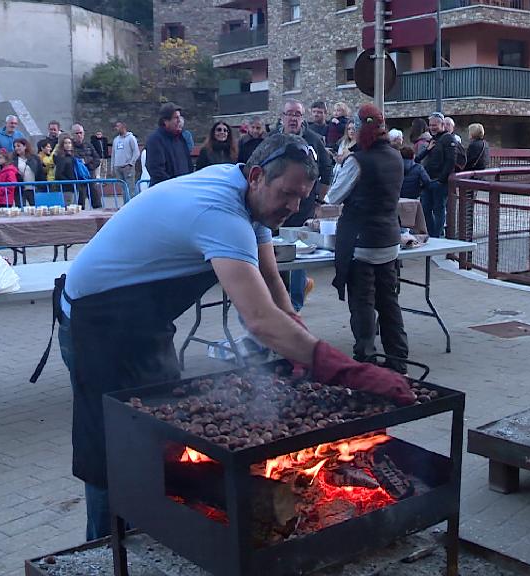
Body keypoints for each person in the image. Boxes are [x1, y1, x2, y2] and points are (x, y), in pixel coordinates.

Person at [30, 131, 414, 541]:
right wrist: (350, 371)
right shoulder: (219, 214)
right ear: (256, 176)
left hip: (145, 323)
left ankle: (157, 535)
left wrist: (301, 345)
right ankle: (105, 551)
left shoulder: (248, 198)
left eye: (302, 197)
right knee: (114, 452)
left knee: (160, 437)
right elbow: (261, 320)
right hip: (97, 323)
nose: (294, 206)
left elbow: (276, 294)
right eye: (287, 194)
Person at [325, 103, 408, 374]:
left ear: (361, 129)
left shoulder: (357, 160)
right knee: (389, 302)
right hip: (389, 241)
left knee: (363, 304)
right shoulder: (396, 156)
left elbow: (333, 197)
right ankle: (398, 360)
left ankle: (366, 359)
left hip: (363, 244)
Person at [276, 98, 334, 312]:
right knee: (279, 251)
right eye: (289, 114)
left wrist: (320, 199)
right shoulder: (274, 139)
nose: (293, 118)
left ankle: (296, 303)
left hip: (304, 205)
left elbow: (326, 169)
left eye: (297, 114)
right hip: (277, 205)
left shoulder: (314, 139)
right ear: (282, 116)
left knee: (299, 253)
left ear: (302, 117)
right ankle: (280, 297)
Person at [415, 112, 456, 237]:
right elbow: (418, 159)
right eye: (430, 125)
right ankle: (432, 235)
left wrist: (441, 180)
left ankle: (436, 237)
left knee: (438, 211)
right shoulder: (434, 139)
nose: (432, 127)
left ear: (443, 124)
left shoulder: (448, 138)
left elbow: (450, 161)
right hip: (429, 181)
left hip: (438, 182)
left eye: (435, 125)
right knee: (425, 210)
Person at [145, 102, 191, 187]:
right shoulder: (155, 140)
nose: (179, 121)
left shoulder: (181, 139)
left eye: (180, 117)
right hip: (165, 191)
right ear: (165, 121)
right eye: (176, 118)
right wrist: (173, 186)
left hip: (183, 189)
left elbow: (188, 165)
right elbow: (156, 170)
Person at [71, 123, 102, 208]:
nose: (79, 135)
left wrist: (88, 164)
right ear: (72, 134)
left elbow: (97, 159)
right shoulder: (70, 147)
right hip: (78, 179)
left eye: (81, 133)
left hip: (91, 177)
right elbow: (75, 160)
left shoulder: (88, 145)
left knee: (97, 204)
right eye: (77, 133)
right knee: (80, 205)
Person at [111, 121, 140, 198]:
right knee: (123, 189)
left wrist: (131, 163)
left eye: (118, 126)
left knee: (131, 189)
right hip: (118, 167)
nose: (116, 128)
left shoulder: (131, 138)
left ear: (123, 127)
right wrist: (113, 166)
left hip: (128, 167)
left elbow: (136, 152)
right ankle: (125, 205)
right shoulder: (116, 140)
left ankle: (132, 206)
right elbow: (113, 154)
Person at [13, 138, 43, 206]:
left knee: (36, 208)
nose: (16, 148)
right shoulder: (13, 160)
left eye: (18, 146)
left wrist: (41, 187)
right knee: (21, 209)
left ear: (25, 146)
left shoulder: (35, 158)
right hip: (20, 189)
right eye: (15, 147)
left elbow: (40, 173)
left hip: (34, 189)